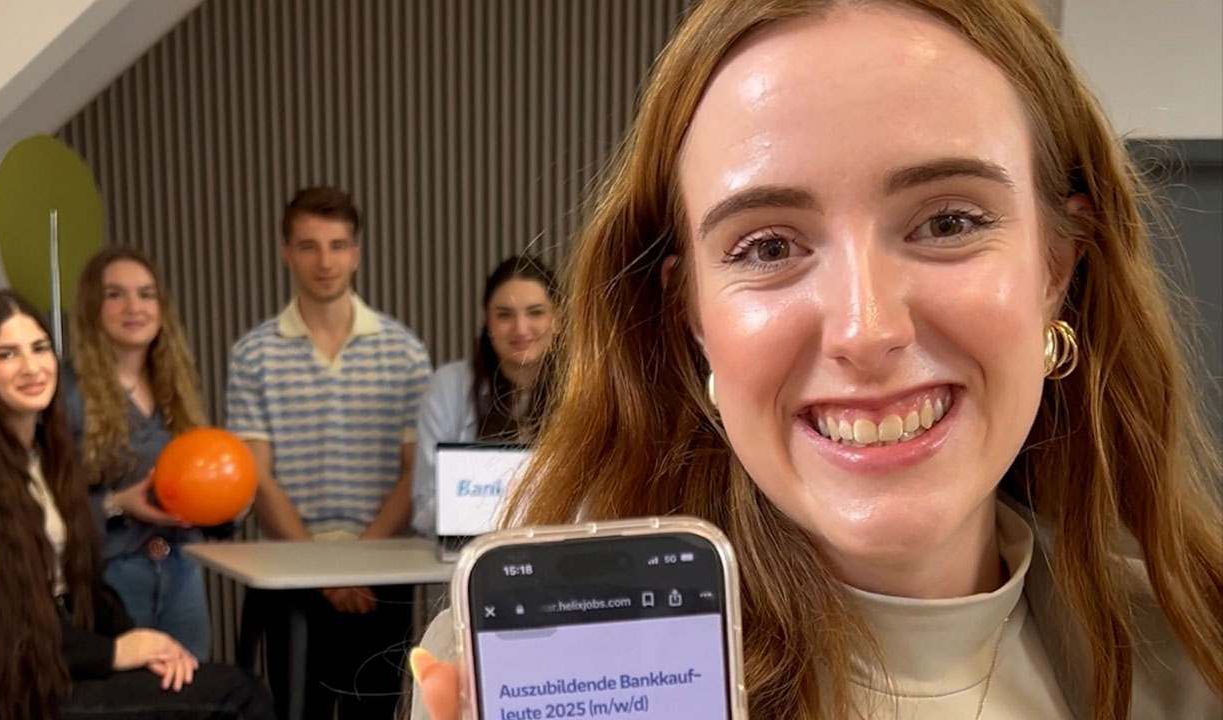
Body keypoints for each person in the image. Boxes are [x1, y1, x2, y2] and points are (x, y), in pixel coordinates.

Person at [410, 1, 1223, 718]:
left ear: (1056, 267)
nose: (866, 330)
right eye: (768, 246)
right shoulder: (523, 668)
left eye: (948, 223)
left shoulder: (1198, 653)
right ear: (692, 313)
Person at [0, 290, 274, 719]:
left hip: (70, 664)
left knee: (228, 684)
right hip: (15, 690)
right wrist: (114, 652)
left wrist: (146, 645)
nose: (31, 367)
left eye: (39, 348)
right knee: (238, 697)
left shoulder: (51, 456)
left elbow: (88, 586)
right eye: (7, 354)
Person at [227, 186, 432, 718]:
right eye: (309, 246)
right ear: (286, 253)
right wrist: (325, 572)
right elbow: (257, 478)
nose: (324, 262)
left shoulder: (405, 352)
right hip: (291, 572)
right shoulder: (253, 355)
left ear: (356, 253)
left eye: (337, 246)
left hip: (381, 575)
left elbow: (415, 474)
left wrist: (356, 567)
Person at [62, 246, 230, 662]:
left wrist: (226, 500)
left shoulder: (178, 390)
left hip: (182, 573)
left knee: (192, 690)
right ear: (92, 307)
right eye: (115, 294)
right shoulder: (66, 394)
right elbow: (45, 505)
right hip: (110, 579)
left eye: (146, 294)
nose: (134, 307)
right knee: (129, 694)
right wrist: (118, 503)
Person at [412, 254, 559, 536]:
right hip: (469, 553)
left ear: (558, 319)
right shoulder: (449, 386)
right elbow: (424, 507)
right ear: (488, 324)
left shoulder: (586, 390)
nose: (521, 329)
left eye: (535, 313)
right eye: (504, 315)